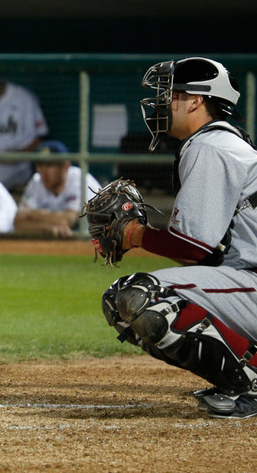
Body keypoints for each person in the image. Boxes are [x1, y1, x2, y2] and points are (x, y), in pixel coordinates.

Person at [102, 57, 257, 419]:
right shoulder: (222, 143)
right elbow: (206, 255)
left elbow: (193, 247)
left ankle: (250, 380)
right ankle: (244, 369)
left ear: (196, 101)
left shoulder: (211, 146)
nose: (162, 103)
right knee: (120, 300)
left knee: (140, 297)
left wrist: (133, 233)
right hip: (247, 280)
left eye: (172, 94)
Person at [14, 139, 101, 238]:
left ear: (65, 166)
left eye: (49, 165)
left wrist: (30, 214)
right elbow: (18, 222)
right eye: (40, 165)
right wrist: (47, 228)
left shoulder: (80, 179)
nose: (43, 171)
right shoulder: (37, 181)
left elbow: (68, 220)